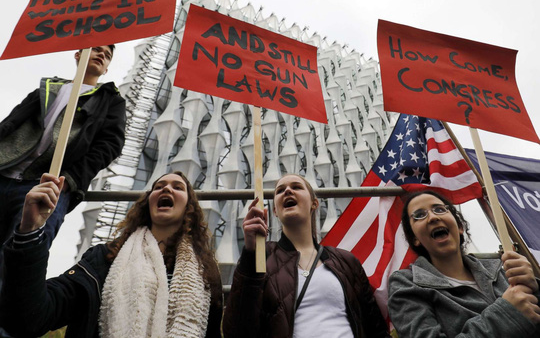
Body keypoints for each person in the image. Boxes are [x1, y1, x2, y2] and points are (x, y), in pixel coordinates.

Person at [0, 171, 223, 338]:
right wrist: (29, 232)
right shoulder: (103, 260)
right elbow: (29, 317)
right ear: (148, 202)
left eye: (178, 187)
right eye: (159, 186)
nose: (166, 189)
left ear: (189, 208)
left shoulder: (205, 275)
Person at [223, 173, 390, 338]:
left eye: (296, 187)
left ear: (314, 203)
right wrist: (250, 255)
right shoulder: (261, 258)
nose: (288, 191)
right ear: (275, 210)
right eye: (280, 191)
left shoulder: (346, 261)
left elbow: (375, 327)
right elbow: (237, 329)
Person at [0, 45, 126, 255]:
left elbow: (109, 146)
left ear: (106, 69)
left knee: (20, 259)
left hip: (48, 184)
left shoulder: (110, 100)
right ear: (78, 55)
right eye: (96, 49)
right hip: (4, 171)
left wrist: (70, 180)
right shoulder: (48, 88)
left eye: (108, 56)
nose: (102, 55)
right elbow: (10, 123)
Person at [388, 190, 540, 337]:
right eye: (419, 215)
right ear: (415, 238)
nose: (433, 217)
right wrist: (508, 315)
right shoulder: (407, 284)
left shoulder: (503, 269)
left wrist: (535, 289)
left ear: (460, 227)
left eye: (439, 209)